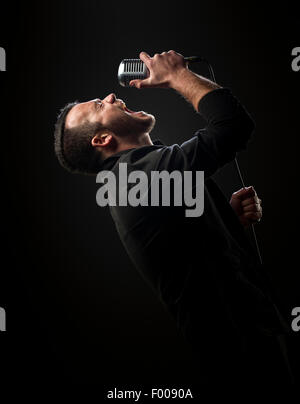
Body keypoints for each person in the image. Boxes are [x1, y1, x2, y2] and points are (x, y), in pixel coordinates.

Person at [54, 51, 293, 384]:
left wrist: (226, 222)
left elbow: (186, 250)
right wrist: (176, 75)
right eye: (98, 105)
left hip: (246, 340)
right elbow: (233, 126)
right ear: (102, 139)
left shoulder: (138, 177)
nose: (110, 96)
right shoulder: (138, 177)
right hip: (240, 351)